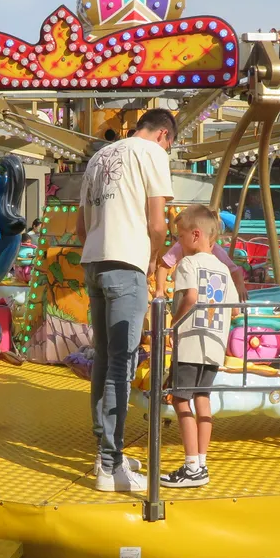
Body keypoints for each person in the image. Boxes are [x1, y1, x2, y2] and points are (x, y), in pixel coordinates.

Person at [77, 107, 176, 492]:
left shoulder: (99, 156)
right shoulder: (152, 154)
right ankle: (110, 465)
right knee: (122, 364)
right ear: (164, 136)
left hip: (94, 262)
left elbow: (82, 226)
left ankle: (105, 447)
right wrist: (153, 261)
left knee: (104, 357)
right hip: (127, 263)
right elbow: (157, 223)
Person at [160, 206, 234, 489]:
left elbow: (190, 296)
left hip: (191, 340)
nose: (178, 242)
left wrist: (173, 324)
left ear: (195, 234)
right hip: (215, 343)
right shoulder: (223, 268)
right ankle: (201, 461)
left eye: (179, 236)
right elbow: (234, 308)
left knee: (180, 400)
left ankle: (192, 465)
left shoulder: (189, 264)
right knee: (202, 399)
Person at [155, 234, 248, 304]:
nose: (180, 240)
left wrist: (240, 286)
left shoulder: (215, 249)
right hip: (188, 291)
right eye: (180, 236)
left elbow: (234, 270)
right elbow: (164, 266)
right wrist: (159, 289)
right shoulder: (181, 245)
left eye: (181, 235)